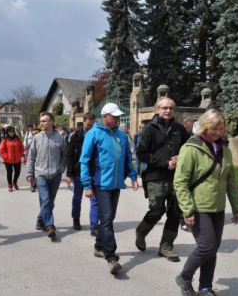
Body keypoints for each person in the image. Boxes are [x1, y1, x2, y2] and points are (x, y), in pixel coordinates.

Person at [174, 109, 238, 296]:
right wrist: (187, 210)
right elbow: (180, 182)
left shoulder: (224, 148)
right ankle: (185, 278)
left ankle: (205, 288)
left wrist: (236, 207)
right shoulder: (191, 148)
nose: (218, 132)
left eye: (221, 128)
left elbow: (231, 180)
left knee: (212, 249)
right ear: (205, 126)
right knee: (207, 246)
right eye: (214, 128)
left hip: (218, 207)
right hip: (198, 206)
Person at [80, 103, 138, 274]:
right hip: (100, 184)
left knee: (108, 218)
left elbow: (128, 158)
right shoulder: (93, 134)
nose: (117, 119)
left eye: (118, 116)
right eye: (114, 116)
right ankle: (111, 257)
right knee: (106, 218)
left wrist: (133, 177)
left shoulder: (121, 134)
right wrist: (87, 185)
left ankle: (99, 246)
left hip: (116, 184)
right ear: (104, 116)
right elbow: (84, 161)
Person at [135, 97, 189, 262]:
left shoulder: (180, 129)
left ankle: (166, 246)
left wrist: (181, 159)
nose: (168, 111)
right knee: (157, 210)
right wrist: (165, 163)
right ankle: (141, 232)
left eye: (171, 108)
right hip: (155, 176)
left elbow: (188, 150)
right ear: (158, 109)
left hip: (176, 178)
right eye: (164, 108)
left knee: (174, 212)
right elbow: (142, 153)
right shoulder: (150, 129)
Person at [26, 112, 67, 239]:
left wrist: (61, 167)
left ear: (51, 122)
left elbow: (64, 154)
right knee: (46, 200)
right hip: (41, 174)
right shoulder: (37, 138)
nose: (41, 123)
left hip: (55, 174)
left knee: (49, 202)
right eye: (41, 121)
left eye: (44, 121)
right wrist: (29, 173)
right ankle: (50, 226)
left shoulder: (60, 138)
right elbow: (31, 157)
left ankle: (40, 220)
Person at [66, 112, 100, 235]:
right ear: (84, 121)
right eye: (88, 124)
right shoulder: (75, 136)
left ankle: (94, 224)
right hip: (79, 171)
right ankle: (76, 218)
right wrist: (69, 174)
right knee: (77, 197)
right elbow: (69, 155)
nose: (90, 126)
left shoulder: (97, 133)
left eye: (92, 124)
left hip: (94, 171)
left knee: (95, 199)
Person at [178, 113, 196, 232]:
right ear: (185, 122)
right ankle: (183, 220)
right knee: (183, 194)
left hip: (192, 169)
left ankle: (189, 218)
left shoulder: (192, 134)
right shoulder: (178, 134)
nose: (193, 123)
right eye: (191, 121)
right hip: (181, 168)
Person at [0, 126, 24, 192]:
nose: (11, 133)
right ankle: (10, 185)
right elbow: (1, 150)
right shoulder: (4, 139)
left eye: (13, 131)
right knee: (9, 173)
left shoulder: (18, 138)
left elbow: (21, 147)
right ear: (7, 132)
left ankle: (14, 182)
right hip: (8, 160)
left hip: (17, 159)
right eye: (10, 131)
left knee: (17, 172)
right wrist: (6, 156)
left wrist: (20, 155)